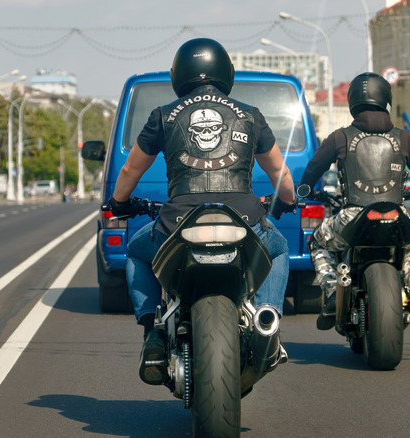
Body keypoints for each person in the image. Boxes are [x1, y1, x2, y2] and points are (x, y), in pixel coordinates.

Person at [108, 38, 296, 385]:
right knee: (280, 247)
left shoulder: (163, 116)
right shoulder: (250, 115)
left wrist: (118, 202)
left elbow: (129, 172)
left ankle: (152, 331)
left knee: (135, 251)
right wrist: (287, 200)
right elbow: (280, 174)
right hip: (244, 220)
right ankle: (268, 321)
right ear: (227, 72)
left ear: (178, 74)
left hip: (178, 222)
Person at [299, 72, 410, 330]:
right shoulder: (402, 137)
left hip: (352, 217)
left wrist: (304, 192)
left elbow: (312, 170)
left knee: (317, 240)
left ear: (352, 102)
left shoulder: (340, 137)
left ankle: (330, 292)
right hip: (397, 215)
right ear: (386, 99)